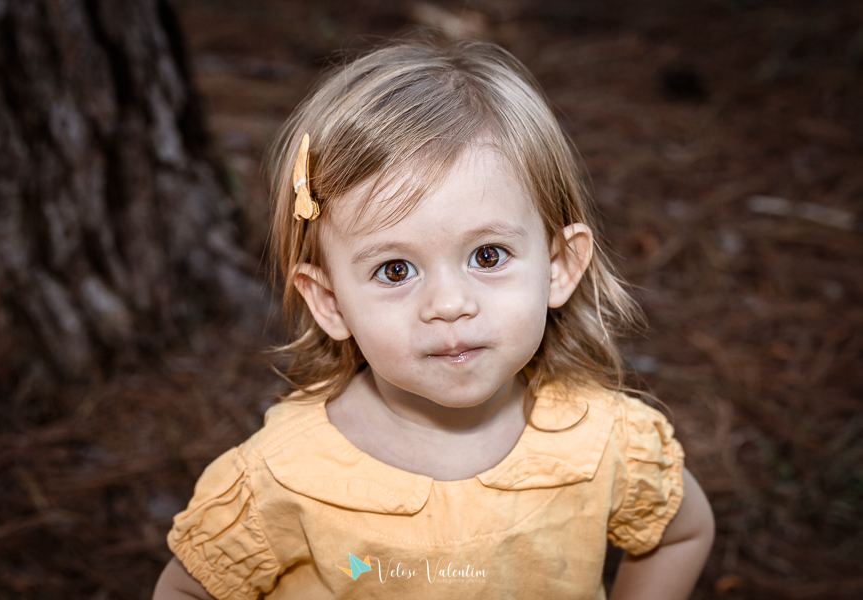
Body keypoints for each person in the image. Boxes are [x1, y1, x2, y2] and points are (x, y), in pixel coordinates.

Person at [153, 38, 715, 600]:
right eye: (396, 270)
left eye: (487, 256)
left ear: (560, 267)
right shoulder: (281, 479)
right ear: (330, 302)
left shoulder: (605, 443)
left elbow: (680, 533)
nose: (448, 304)